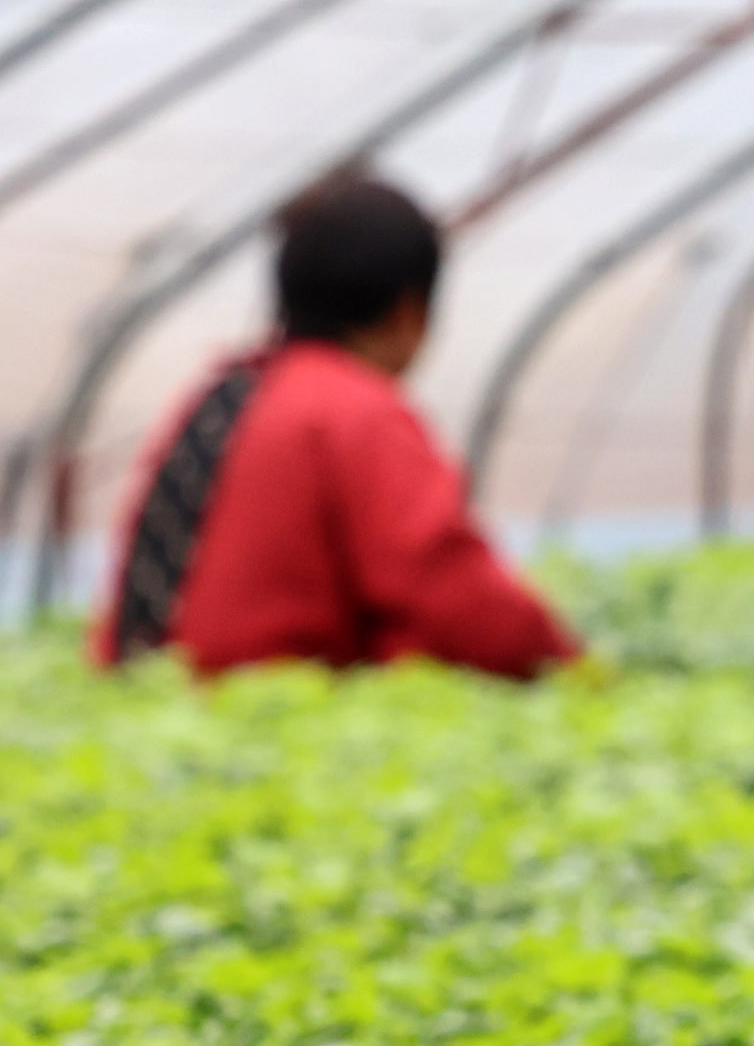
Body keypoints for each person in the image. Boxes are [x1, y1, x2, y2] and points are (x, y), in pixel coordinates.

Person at [93, 176, 579, 680]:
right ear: (408, 313)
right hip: (272, 733)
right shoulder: (355, 412)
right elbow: (451, 594)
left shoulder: (220, 396)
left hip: (152, 715)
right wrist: (573, 673)